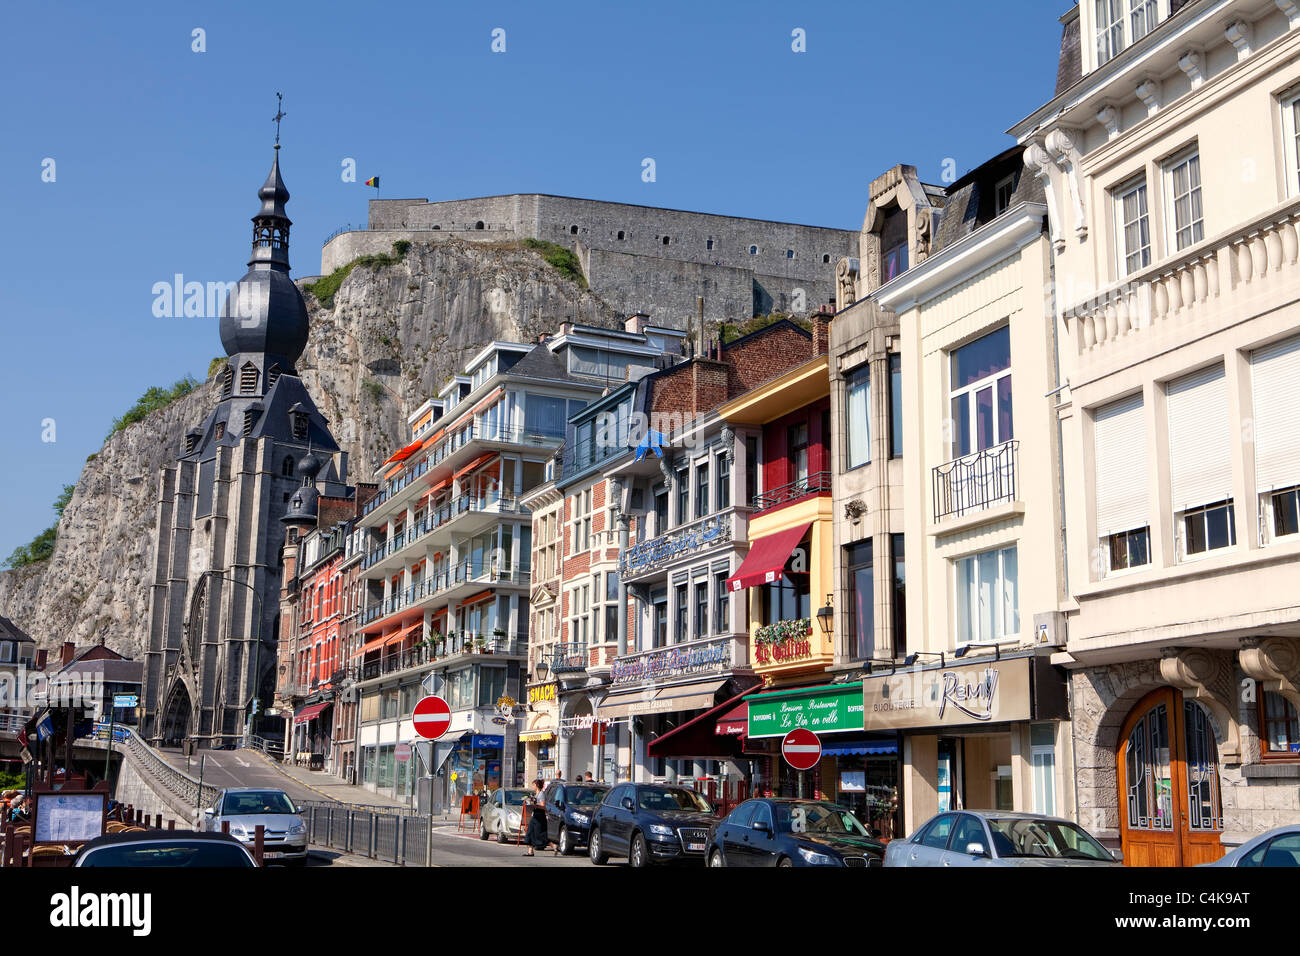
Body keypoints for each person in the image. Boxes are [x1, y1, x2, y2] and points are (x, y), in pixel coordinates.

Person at [522, 779, 547, 857]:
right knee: (530, 832)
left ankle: (552, 844)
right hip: (535, 815)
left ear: (537, 785)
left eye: (533, 785)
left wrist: (535, 805)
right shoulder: (536, 794)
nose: (532, 786)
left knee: (539, 834)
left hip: (539, 816)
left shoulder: (541, 794)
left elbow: (543, 806)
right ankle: (530, 851)